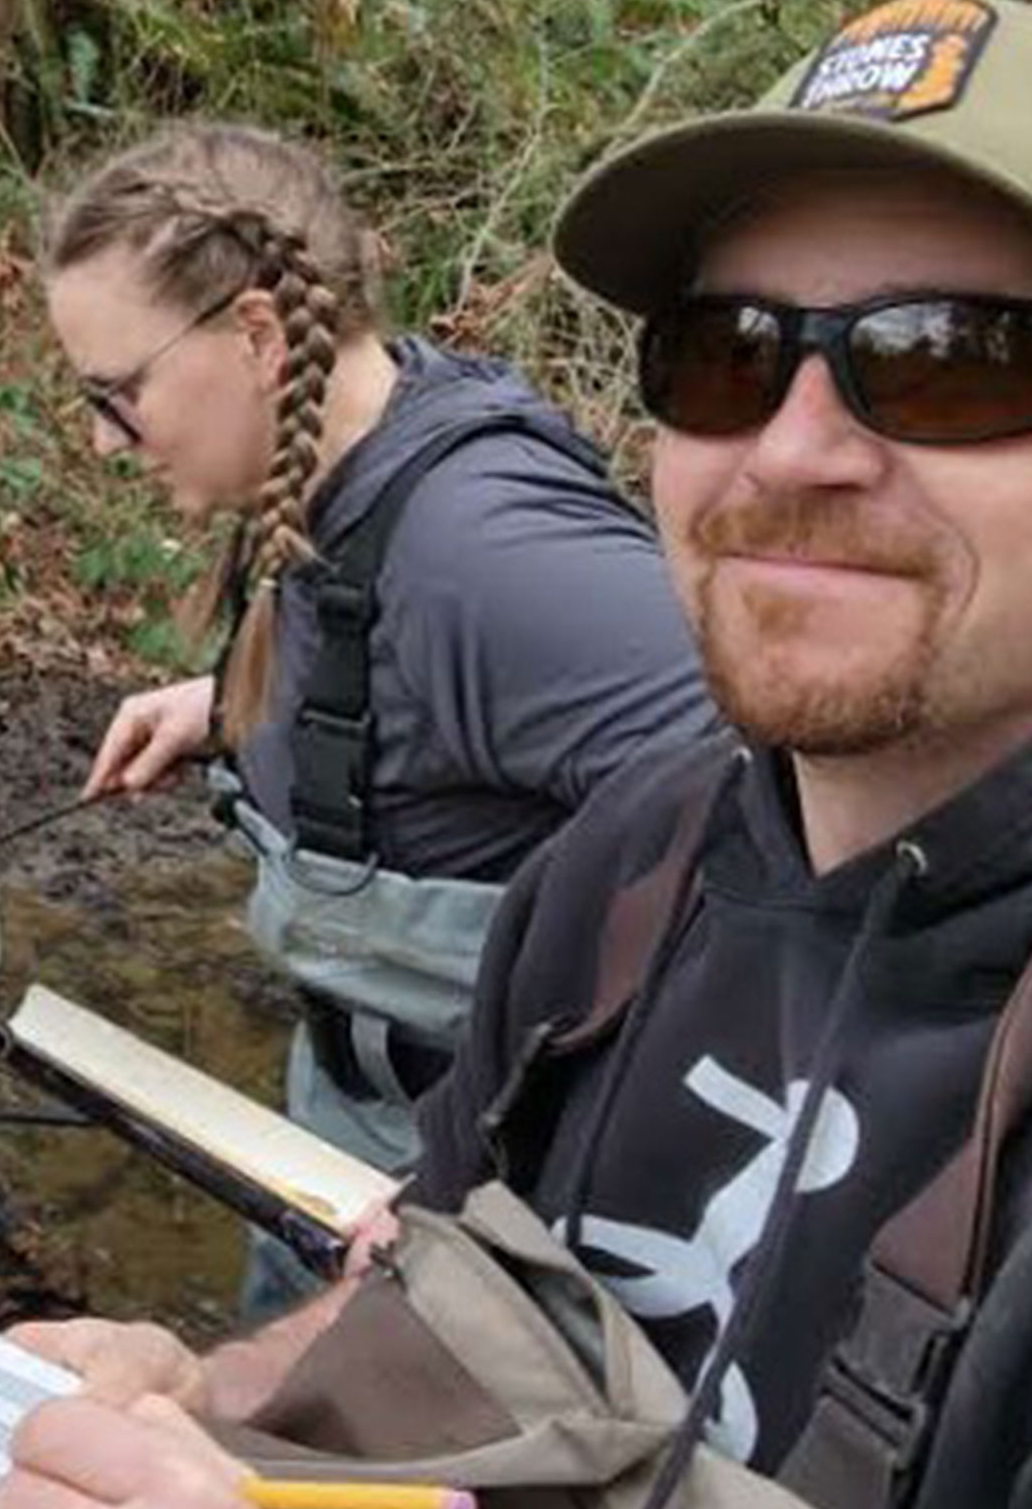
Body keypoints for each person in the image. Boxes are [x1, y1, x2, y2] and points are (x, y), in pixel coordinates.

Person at [0, 0, 1032, 1509]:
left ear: (252, 334)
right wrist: (213, 1397)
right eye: (727, 355)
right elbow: (439, 1308)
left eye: (951, 362)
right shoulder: (625, 876)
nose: (792, 452)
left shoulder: (486, 554)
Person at [45, 122, 713, 1300]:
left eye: (119, 392)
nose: (101, 441)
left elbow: (766, 822)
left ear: (254, 334)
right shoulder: (323, 473)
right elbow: (425, 687)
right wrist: (234, 708)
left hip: (475, 1208)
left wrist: (490, 1195)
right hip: (344, 1138)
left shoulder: (486, 551)